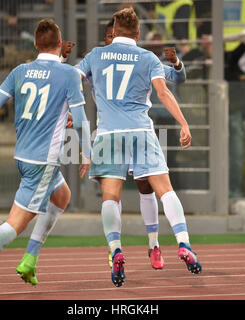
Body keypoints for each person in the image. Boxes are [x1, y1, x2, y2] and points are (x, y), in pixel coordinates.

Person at [0, 18, 91, 298]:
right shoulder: (69, 75)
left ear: (36, 44)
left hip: (24, 156)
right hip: (43, 163)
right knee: (15, 224)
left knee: (62, 197)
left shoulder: (21, 71)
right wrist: (86, 151)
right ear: (60, 45)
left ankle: (30, 260)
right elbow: (83, 119)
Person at [76, 7, 201, 287]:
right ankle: (184, 243)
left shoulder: (95, 55)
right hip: (141, 133)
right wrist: (183, 123)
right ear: (139, 33)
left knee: (110, 198)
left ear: (114, 32)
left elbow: (73, 79)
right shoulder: (147, 58)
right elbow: (164, 91)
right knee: (165, 190)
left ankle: (116, 250)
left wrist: (70, 110)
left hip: (108, 134)